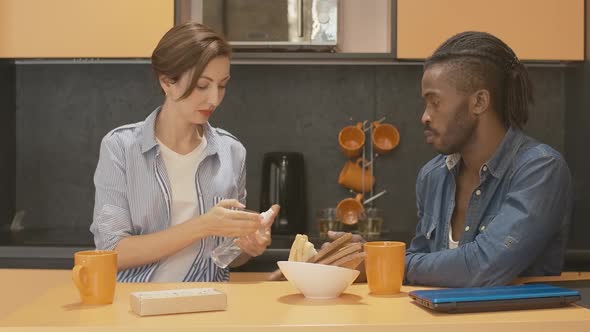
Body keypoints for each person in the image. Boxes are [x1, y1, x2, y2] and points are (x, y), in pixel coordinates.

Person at [329, 31, 572, 287]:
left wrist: (380, 259)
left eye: (435, 102)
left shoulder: (541, 169)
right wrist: (368, 255)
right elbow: (418, 264)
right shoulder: (432, 175)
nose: (424, 116)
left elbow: (484, 266)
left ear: (479, 102)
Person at [90, 22, 278, 283]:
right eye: (202, 85)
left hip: (207, 308)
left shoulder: (231, 151)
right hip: (136, 310)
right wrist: (203, 225)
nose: (214, 99)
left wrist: (246, 246)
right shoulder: (120, 148)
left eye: (222, 85)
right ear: (167, 82)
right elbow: (111, 251)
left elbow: (227, 258)